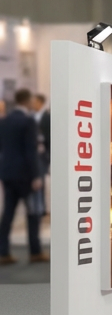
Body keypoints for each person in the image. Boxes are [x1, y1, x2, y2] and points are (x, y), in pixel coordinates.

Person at [0, 88, 46, 264]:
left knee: (8, 214)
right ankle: (35, 252)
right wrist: (36, 175)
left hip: (8, 173)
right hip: (26, 176)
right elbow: (30, 151)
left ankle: (3, 252)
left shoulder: (4, 121)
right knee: (33, 214)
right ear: (27, 101)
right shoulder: (28, 121)